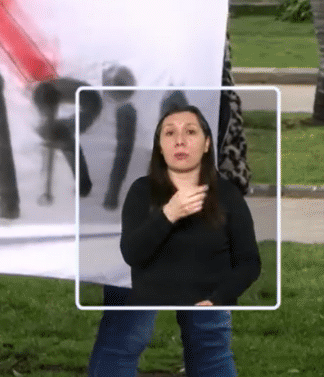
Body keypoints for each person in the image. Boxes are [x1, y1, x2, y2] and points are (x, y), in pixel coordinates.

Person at [89, 102, 259, 376]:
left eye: (190, 132)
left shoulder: (225, 196)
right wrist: (169, 213)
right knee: (127, 336)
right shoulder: (140, 191)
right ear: (158, 144)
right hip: (139, 259)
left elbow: (249, 261)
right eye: (169, 133)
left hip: (206, 269)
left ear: (206, 143)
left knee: (210, 341)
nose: (180, 140)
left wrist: (221, 295)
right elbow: (133, 251)